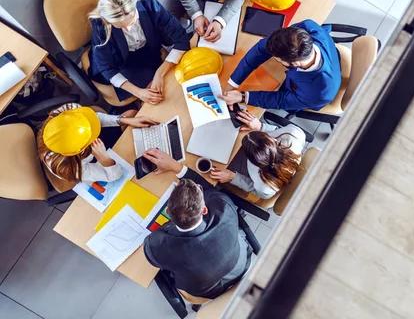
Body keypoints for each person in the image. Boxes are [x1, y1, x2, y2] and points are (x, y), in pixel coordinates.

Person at [142, 154, 252, 299]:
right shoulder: (223, 206)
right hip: (241, 264)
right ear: (205, 209)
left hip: (208, 291)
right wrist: (177, 167)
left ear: (168, 212)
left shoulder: (159, 245)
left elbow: (152, 258)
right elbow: (210, 191)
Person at [88, 0, 191, 103]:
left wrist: (159, 73)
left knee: (169, 82)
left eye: (131, 23)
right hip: (120, 62)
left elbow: (182, 39)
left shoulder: (149, 4)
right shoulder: (100, 24)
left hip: (148, 51)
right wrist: (139, 93)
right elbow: (106, 67)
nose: (128, 29)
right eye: (120, 27)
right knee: (153, 92)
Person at [219, 19, 342, 111]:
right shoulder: (305, 29)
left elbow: (282, 100)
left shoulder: (319, 92)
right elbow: (261, 49)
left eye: (277, 59)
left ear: (294, 63)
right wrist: (233, 82)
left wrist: (242, 97)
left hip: (303, 96)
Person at [38, 103, 158, 183]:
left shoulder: (66, 112)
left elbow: (95, 119)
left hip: (96, 144)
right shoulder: (71, 168)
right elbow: (114, 175)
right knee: (131, 155)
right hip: (96, 158)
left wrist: (125, 120)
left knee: (131, 114)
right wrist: (104, 158)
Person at [209, 110, 304, 199]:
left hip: (251, 169)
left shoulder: (265, 188)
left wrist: (233, 177)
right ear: (273, 139)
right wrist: (261, 127)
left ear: (254, 162)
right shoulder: (294, 134)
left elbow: (256, 190)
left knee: (215, 157)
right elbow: (278, 130)